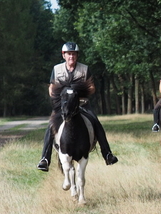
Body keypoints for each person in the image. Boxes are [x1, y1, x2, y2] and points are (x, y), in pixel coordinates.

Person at [36, 42, 118, 171]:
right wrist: (57, 99)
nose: (71, 57)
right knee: (51, 126)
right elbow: (52, 87)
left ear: (77, 55)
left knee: (96, 123)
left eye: (74, 54)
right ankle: (45, 159)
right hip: (63, 106)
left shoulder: (84, 69)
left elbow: (91, 87)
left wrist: (78, 92)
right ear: (64, 55)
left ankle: (107, 154)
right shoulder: (57, 69)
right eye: (69, 54)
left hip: (82, 104)